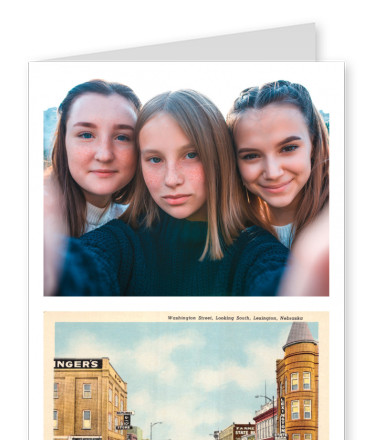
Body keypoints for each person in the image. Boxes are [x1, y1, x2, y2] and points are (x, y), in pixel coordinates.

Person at [46, 89, 288, 296]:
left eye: (191, 155)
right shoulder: (122, 241)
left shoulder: (257, 252)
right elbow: (85, 267)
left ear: (218, 158)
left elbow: (280, 284)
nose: (171, 179)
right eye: (154, 159)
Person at [227, 80, 329, 249]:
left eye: (288, 148)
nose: (273, 172)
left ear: (314, 144)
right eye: (251, 155)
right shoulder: (232, 237)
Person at [47, 79, 141, 237]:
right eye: (86, 135)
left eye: (122, 137)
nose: (104, 155)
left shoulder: (141, 226)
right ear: (64, 142)